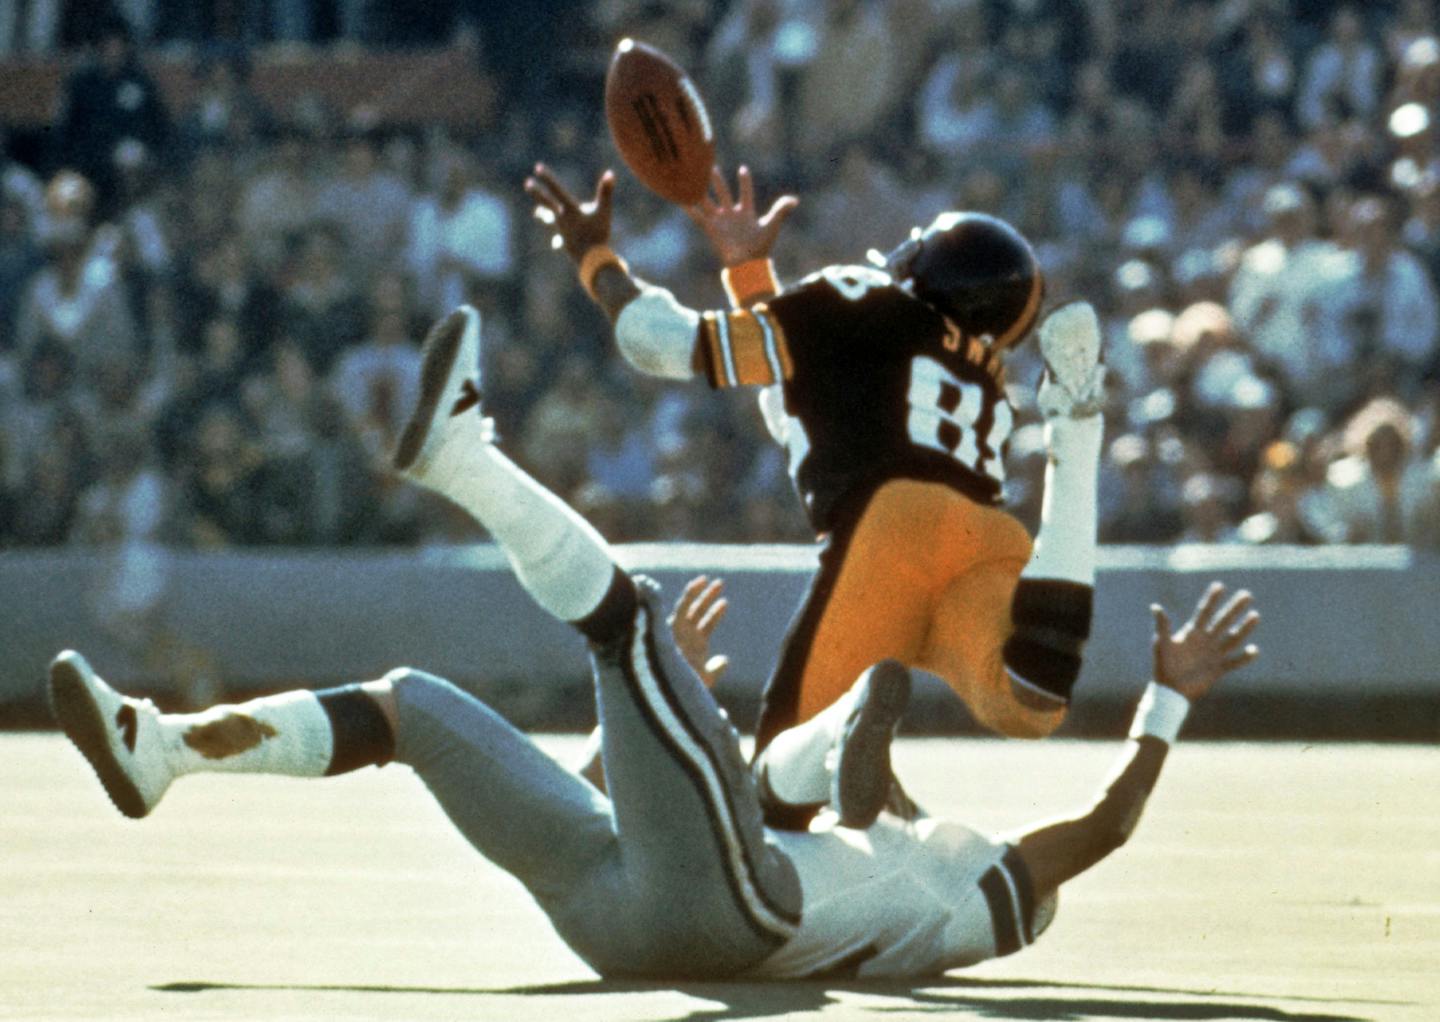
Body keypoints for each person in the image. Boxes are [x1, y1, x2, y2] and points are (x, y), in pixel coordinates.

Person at [50, 306, 1259, 980]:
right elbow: (703, 789)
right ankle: (160, 751)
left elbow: (1092, 824)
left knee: (626, 616)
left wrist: (1167, 704)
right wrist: (670, 712)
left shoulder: (976, 896)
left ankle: (464, 459)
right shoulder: (913, 859)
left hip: (737, 912)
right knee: (412, 702)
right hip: (621, 900)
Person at [524, 165, 1107, 823]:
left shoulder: (858, 298)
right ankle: (1077, 427)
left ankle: (840, 743)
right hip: (988, 535)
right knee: (1028, 697)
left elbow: (655, 342)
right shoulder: (986, 376)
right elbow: (797, 410)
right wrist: (750, 275)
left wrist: (595, 260)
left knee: (774, 796)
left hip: (889, 530)